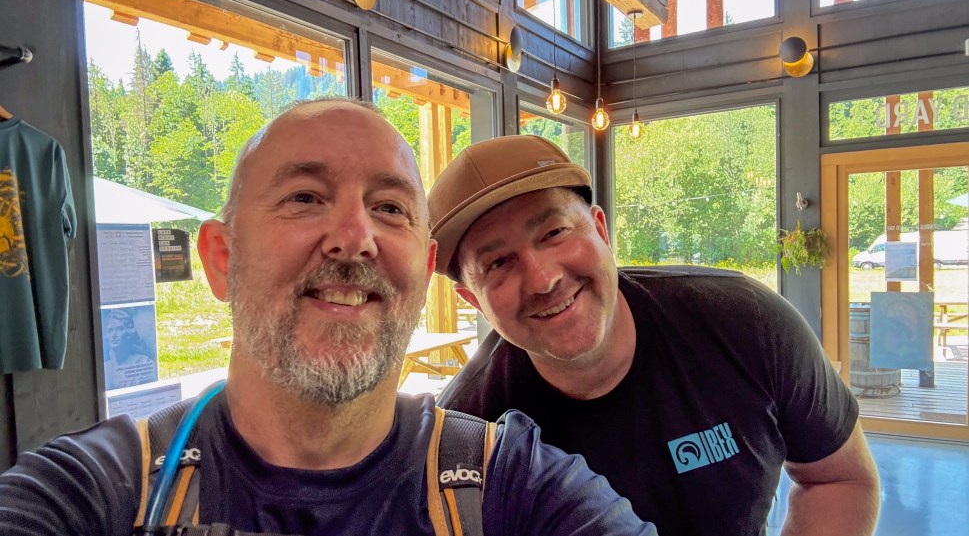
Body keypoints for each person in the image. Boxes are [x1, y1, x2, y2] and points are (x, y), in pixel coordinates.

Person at [0, 101, 657, 536]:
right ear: (222, 259)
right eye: (304, 197)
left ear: (424, 269)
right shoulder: (99, 492)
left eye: (390, 208)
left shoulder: (510, 483)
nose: (353, 238)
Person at [427, 134, 881, 536]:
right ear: (473, 300)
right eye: (498, 263)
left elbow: (838, 478)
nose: (543, 279)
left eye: (554, 232)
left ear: (601, 230)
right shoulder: (466, 437)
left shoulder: (747, 324)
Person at [102, 308, 154, 389]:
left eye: (119, 329)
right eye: (110, 330)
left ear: (129, 333)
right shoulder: (105, 367)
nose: (114, 335)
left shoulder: (144, 362)